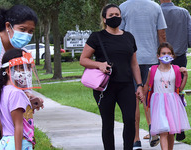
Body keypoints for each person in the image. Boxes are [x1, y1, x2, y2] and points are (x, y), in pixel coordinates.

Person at [80, 4, 144, 150]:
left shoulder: (129, 37)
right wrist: (99, 65)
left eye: (117, 14)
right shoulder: (97, 37)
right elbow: (83, 59)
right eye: (111, 15)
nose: (115, 17)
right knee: (108, 122)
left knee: (130, 119)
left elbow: (134, 64)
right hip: (105, 86)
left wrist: (139, 85)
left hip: (126, 85)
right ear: (104, 19)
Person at [119, 0, 167, 149]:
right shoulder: (155, 6)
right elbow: (162, 34)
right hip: (152, 59)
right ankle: (153, 128)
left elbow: (119, 34)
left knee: (133, 99)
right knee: (150, 96)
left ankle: (136, 139)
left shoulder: (123, 7)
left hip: (131, 60)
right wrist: (163, 57)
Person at [0, 5, 43, 121]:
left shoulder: (24, 53)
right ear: (8, 26)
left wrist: (30, 97)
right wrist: (9, 97)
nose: (26, 35)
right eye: (22, 29)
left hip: (10, 123)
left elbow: (25, 88)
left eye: (31, 31)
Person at [0, 49, 41, 150]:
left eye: (28, 68)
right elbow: (18, 126)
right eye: (21, 68)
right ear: (8, 70)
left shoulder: (4, 91)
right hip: (18, 143)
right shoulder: (16, 93)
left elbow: (3, 123)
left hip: (6, 142)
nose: (26, 72)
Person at [144, 42, 190, 150]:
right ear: (158, 56)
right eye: (163, 53)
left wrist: (186, 76)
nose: (166, 55)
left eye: (169, 53)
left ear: (173, 56)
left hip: (172, 103)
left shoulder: (176, 70)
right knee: (163, 131)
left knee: (170, 132)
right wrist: (141, 93)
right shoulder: (153, 70)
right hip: (158, 103)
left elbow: (180, 88)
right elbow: (147, 85)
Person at [160, 0, 191, 141]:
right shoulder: (184, 13)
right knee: (177, 92)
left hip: (160, 58)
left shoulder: (157, 12)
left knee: (161, 94)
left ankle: (163, 126)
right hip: (179, 56)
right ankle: (180, 128)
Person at [160, 0, 191, 68]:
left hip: (160, 56)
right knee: (180, 78)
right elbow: (189, 35)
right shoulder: (183, 12)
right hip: (179, 55)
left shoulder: (156, 12)